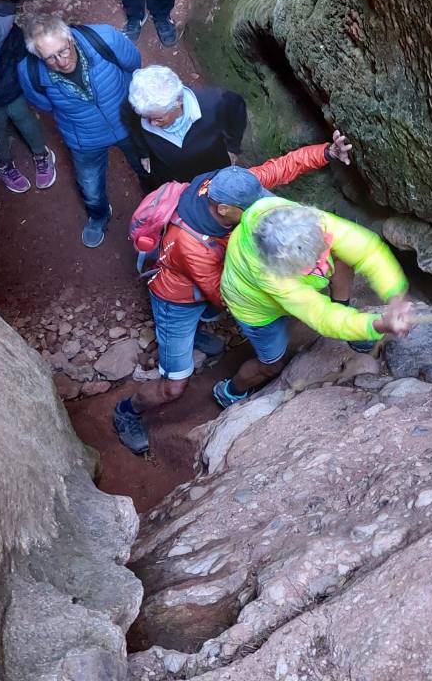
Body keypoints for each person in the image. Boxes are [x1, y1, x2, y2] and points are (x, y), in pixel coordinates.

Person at [112, 134, 353, 454]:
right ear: (224, 209)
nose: (259, 212)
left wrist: (327, 152)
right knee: (173, 387)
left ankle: (196, 336)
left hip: (209, 276)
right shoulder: (190, 243)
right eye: (250, 209)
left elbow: (280, 168)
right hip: (177, 300)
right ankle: (126, 412)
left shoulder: (229, 186)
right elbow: (223, 295)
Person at [214, 198, 412, 408]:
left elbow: (368, 250)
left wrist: (395, 298)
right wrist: (375, 325)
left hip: (285, 268)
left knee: (342, 256)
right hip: (253, 307)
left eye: (321, 251)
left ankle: (347, 319)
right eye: (311, 265)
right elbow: (320, 314)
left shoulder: (306, 222)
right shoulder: (270, 275)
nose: (323, 265)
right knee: (270, 365)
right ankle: (231, 392)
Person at [18, 14, 142, 247]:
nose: (62, 61)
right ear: (38, 56)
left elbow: (134, 62)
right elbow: (43, 104)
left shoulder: (105, 38)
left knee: (146, 168)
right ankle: (99, 215)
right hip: (85, 138)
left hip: (127, 122)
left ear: (71, 38)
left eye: (63, 50)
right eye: (50, 57)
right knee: (90, 187)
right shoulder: (29, 72)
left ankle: (157, 203)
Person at [123, 64, 248, 188]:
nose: (151, 124)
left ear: (177, 103)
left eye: (158, 118)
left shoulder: (214, 103)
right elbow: (134, 128)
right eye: (146, 117)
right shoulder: (139, 107)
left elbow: (237, 113)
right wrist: (144, 153)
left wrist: (233, 148)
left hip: (210, 169)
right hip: (169, 178)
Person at [0, 2, 56, 193]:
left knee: (15, 120)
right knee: (1, 125)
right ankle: (7, 162)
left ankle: (37, 154)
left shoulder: (3, 31)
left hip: (7, 86)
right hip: (7, 85)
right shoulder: (4, 22)